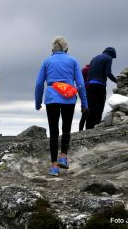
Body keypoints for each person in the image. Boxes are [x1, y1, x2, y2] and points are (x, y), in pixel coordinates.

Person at [35, 36, 88, 176]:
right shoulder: (73, 60)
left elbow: (39, 83)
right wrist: (84, 102)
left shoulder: (47, 61)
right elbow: (81, 83)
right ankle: (63, 157)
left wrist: (38, 102)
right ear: (66, 48)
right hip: (68, 97)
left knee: (53, 131)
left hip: (51, 97)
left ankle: (53, 167)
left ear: (52, 49)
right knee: (66, 128)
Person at [86, 47, 117, 129]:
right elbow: (108, 73)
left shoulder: (94, 58)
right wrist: (117, 81)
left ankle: (88, 128)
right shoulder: (108, 58)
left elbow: (89, 74)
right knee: (99, 108)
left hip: (90, 86)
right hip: (100, 86)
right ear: (111, 54)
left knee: (91, 108)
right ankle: (96, 128)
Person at [79, 64, 91, 131]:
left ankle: (80, 129)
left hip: (83, 91)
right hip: (88, 90)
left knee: (84, 112)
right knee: (87, 113)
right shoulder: (89, 70)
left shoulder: (83, 69)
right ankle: (87, 129)